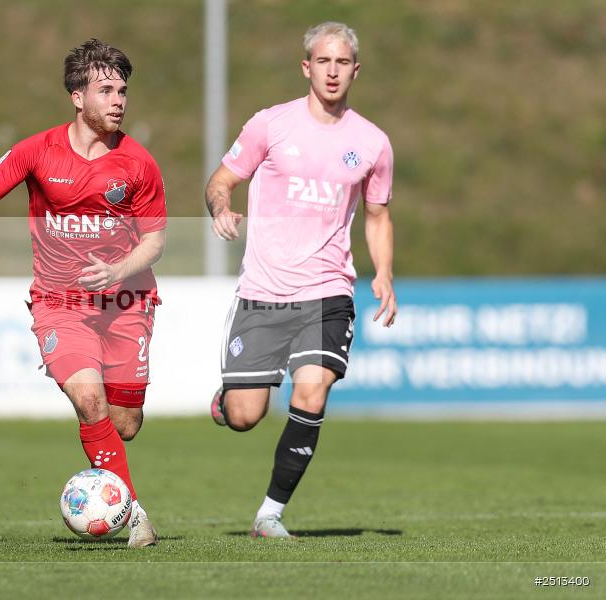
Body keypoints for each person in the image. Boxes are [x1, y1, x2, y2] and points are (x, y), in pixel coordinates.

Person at [0, 39, 166, 548]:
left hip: (125, 303)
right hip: (60, 302)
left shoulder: (138, 164)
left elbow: (156, 239)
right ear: (77, 96)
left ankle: (107, 470)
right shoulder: (37, 150)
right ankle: (133, 516)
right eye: (106, 90)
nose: (119, 100)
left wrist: (117, 269)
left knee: (125, 422)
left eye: (123, 91)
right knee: (89, 400)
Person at [205, 22, 397, 538]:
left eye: (342, 63)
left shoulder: (373, 143)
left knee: (312, 390)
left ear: (355, 70)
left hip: (327, 291)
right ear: (306, 67)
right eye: (323, 61)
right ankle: (227, 400)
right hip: (263, 292)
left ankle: (270, 514)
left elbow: (377, 215)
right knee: (246, 416)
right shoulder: (271, 125)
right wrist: (221, 208)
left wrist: (383, 273)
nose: (332, 72)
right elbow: (221, 180)